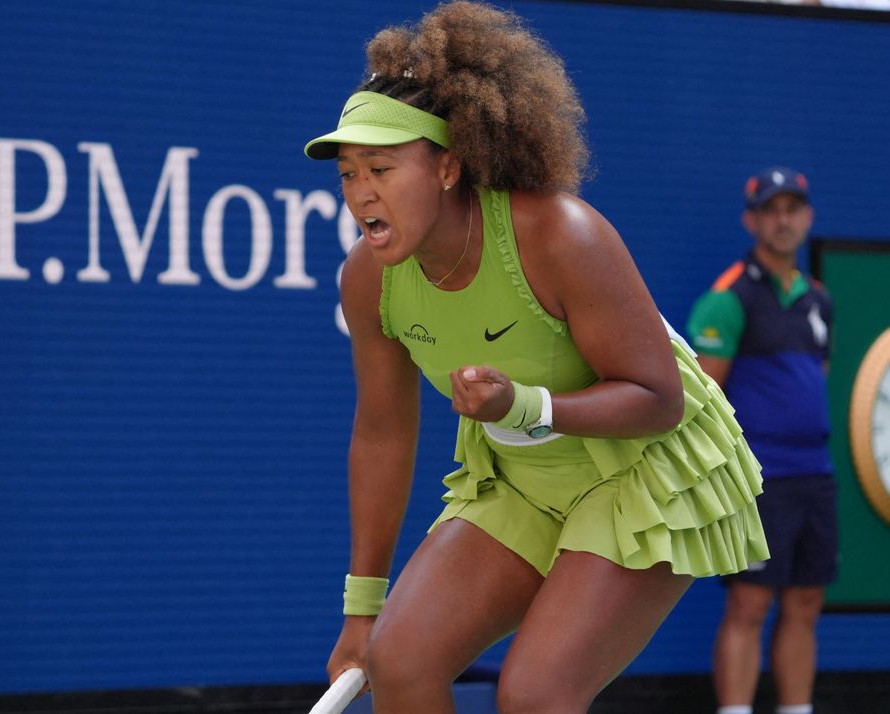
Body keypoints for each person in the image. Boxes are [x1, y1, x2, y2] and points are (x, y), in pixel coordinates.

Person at [302, 2, 769, 712]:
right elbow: (383, 435)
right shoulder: (367, 280)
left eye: (382, 168)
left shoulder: (560, 235)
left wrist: (524, 405)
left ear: (449, 167)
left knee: (535, 695)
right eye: (348, 174)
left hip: (646, 475)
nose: (360, 192)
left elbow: (659, 399)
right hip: (522, 480)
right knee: (398, 661)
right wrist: (361, 609)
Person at [686, 168, 836, 714]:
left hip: (815, 475)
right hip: (759, 478)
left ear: (808, 218)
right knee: (749, 604)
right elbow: (702, 401)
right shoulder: (727, 299)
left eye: (793, 209)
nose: (783, 220)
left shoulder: (819, 300)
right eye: (771, 210)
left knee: (805, 602)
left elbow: (817, 380)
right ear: (752, 221)